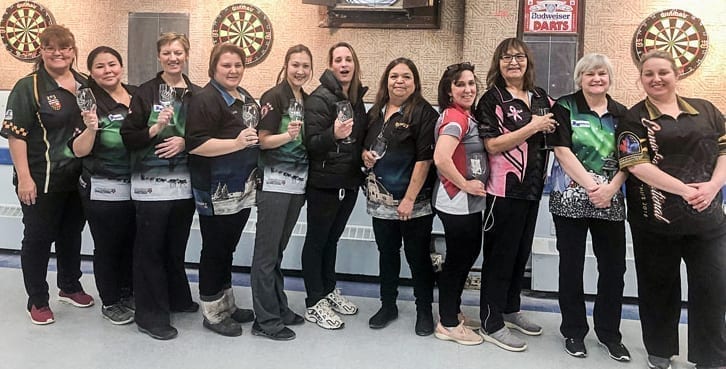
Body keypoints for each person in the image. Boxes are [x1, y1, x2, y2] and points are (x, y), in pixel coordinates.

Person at [616, 50, 726, 369]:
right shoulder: (633, 118)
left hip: (707, 221)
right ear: (641, 79)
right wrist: (687, 191)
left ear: (677, 75)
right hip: (655, 222)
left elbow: (724, 150)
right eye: (648, 74)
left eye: (663, 72)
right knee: (658, 287)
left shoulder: (705, 110)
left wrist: (714, 185)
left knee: (712, 288)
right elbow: (635, 165)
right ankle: (660, 350)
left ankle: (711, 355)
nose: (656, 79)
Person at [1, 24, 92, 325]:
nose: (58, 53)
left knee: (71, 235)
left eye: (64, 47)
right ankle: (38, 299)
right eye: (50, 47)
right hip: (41, 178)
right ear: (40, 50)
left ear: (73, 51)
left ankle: (69, 286)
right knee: (38, 239)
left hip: (76, 177)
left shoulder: (84, 84)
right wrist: (24, 178)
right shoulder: (29, 86)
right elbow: (17, 136)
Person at [474, 37, 557, 352]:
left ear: (528, 62)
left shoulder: (539, 97)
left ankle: (510, 308)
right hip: (502, 192)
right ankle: (491, 321)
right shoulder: (491, 99)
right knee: (499, 257)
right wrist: (534, 127)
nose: (513, 62)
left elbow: (556, 129)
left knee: (520, 254)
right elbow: (492, 145)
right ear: (498, 63)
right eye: (506, 57)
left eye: (519, 57)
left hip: (532, 191)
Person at [547, 53, 630, 361]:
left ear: (609, 79)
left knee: (613, 268)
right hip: (570, 198)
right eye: (590, 74)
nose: (597, 79)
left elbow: (630, 158)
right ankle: (573, 331)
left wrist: (610, 188)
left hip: (611, 198)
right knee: (571, 266)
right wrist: (592, 186)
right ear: (579, 78)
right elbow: (562, 150)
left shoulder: (623, 113)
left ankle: (609, 334)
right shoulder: (565, 106)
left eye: (602, 74)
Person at [120, 32, 201, 340]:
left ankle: (177, 297)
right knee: (149, 250)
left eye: (178, 52)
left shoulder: (197, 94)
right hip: (150, 186)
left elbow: (206, 136)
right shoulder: (145, 93)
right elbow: (129, 137)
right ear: (159, 57)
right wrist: (155, 128)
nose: (173, 57)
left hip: (184, 187)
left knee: (175, 248)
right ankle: (150, 314)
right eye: (167, 52)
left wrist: (186, 141)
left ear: (186, 54)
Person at [360, 58, 438, 335]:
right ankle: (388, 305)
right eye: (394, 76)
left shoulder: (424, 113)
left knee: (418, 257)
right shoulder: (375, 112)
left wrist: (409, 198)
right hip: (379, 202)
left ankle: (424, 311)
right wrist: (364, 155)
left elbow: (425, 159)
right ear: (386, 81)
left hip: (413, 203)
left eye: (406, 76)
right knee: (387, 254)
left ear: (415, 82)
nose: (399, 81)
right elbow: (364, 145)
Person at [185, 42, 258, 337]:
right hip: (216, 190)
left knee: (228, 247)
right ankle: (212, 311)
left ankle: (227, 304)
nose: (233, 70)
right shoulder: (205, 99)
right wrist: (237, 144)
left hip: (242, 187)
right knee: (214, 249)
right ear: (214, 67)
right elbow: (196, 145)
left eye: (238, 65)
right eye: (226, 65)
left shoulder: (244, 96)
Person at [302, 42, 367, 330]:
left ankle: (328, 290)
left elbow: (360, 139)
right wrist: (333, 134)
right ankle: (314, 302)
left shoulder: (355, 97)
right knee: (317, 242)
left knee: (332, 241)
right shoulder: (319, 98)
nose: (344, 64)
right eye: (338, 59)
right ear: (330, 65)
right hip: (325, 184)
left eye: (348, 59)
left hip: (349, 181)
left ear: (354, 64)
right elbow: (312, 144)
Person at [69, 46, 136, 325]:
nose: (108, 70)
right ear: (91, 72)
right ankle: (110, 301)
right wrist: (92, 128)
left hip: (138, 185)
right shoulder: (87, 102)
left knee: (132, 242)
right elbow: (79, 150)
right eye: (100, 66)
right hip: (102, 186)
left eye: (112, 64)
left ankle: (127, 291)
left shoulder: (137, 93)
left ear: (121, 67)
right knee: (108, 245)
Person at [251, 44, 313, 340]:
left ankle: (277, 306)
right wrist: (286, 136)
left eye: (305, 66)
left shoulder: (307, 99)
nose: (300, 71)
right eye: (295, 65)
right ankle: (265, 321)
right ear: (286, 66)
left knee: (277, 251)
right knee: (265, 254)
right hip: (274, 184)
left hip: (296, 186)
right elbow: (262, 141)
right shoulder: (274, 97)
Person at [430, 62, 486, 346]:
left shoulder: (465, 115)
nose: (468, 89)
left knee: (465, 254)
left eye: (471, 83)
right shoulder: (455, 118)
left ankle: (453, 311)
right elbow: (441, 158)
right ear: (449, 90)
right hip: (456, 199)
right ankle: (448, 322)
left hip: (467, 200)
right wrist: (465, 184)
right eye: (460, 84)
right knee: (459, 258)